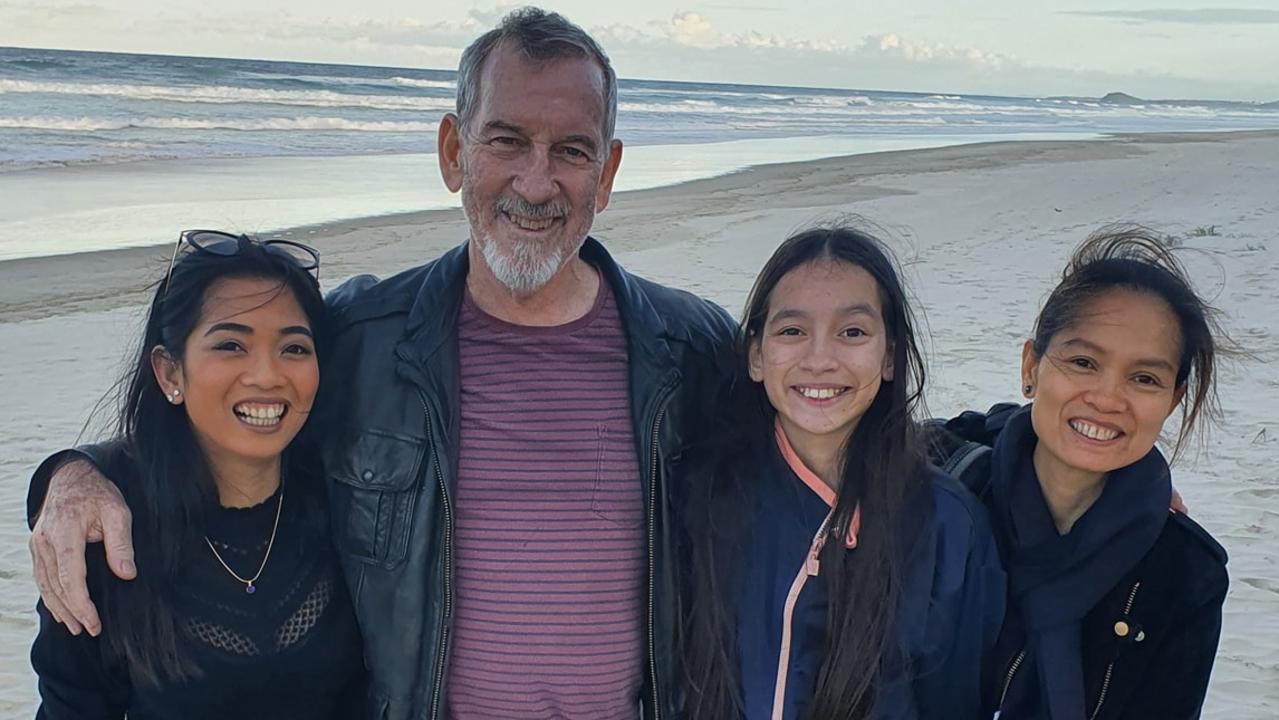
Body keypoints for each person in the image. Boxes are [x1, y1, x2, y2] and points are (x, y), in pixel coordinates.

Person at [26, 8, 735, 719]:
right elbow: (230, 418)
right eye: (506, 140)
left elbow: (800, 472)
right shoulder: (364, 341)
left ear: (606, 172)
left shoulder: (691, 352)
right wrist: (72, 475)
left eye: (572, 151)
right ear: (453, 151)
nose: (536, 180)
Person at [29, 231, 365, 718]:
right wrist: (67, 472)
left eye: (294, 348)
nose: (268, 375)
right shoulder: (106, 538)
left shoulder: (354, 501)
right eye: (230, 345)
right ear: (169, 374)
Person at [679, 226, 1005, 720]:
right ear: (755, 356)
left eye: (852, 332)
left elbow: (956, 701)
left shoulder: (949, 526)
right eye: (792, 330)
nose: (820, 359)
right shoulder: (699, 496)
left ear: (890, 355)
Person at [931, 227, 1229, 720]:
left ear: (1172, 400)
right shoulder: (944, 485)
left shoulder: (1184, 573)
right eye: (1083, 361)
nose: (1108, 398)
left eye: (1144, 378)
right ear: (1031, 366)